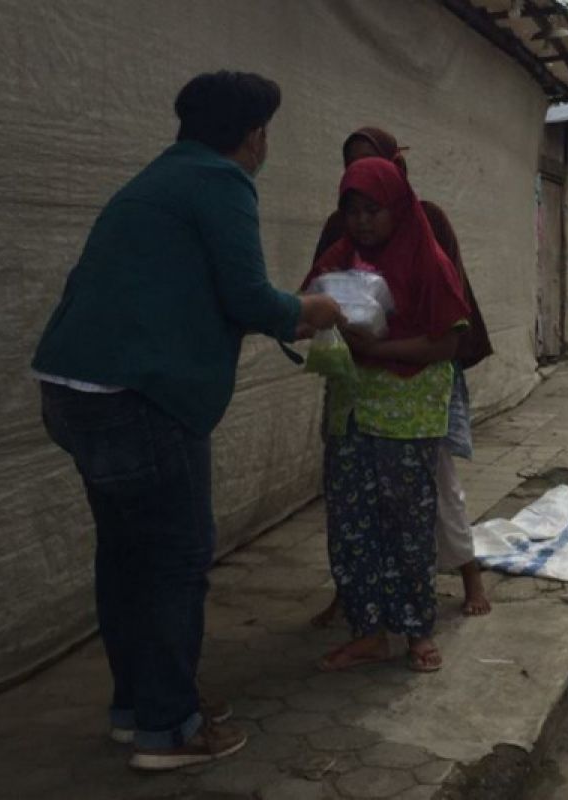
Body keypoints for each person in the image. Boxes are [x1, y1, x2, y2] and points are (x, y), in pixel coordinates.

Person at [31, 71, 343, 771]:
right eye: (268, 133)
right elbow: (249, 297)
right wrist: (310, 310)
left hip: (72, 389)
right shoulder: (219, 182)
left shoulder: (156, 179)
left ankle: (136, 706)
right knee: (174, 559)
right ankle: (169, 729)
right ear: (254, 134)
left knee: (125, 554)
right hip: (138, 399)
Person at [307, 128, 494, 623]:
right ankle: (360, 605)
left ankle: (453, 583)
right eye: (353, 199)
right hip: (356, 395)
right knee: (354, 511)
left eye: (374, 200)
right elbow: (312, 295)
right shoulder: (341, 236)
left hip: (414, 393)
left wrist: (383, 342)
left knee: (425, 495)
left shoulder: (425, 228)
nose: (363, 218)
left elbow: (449, 318)